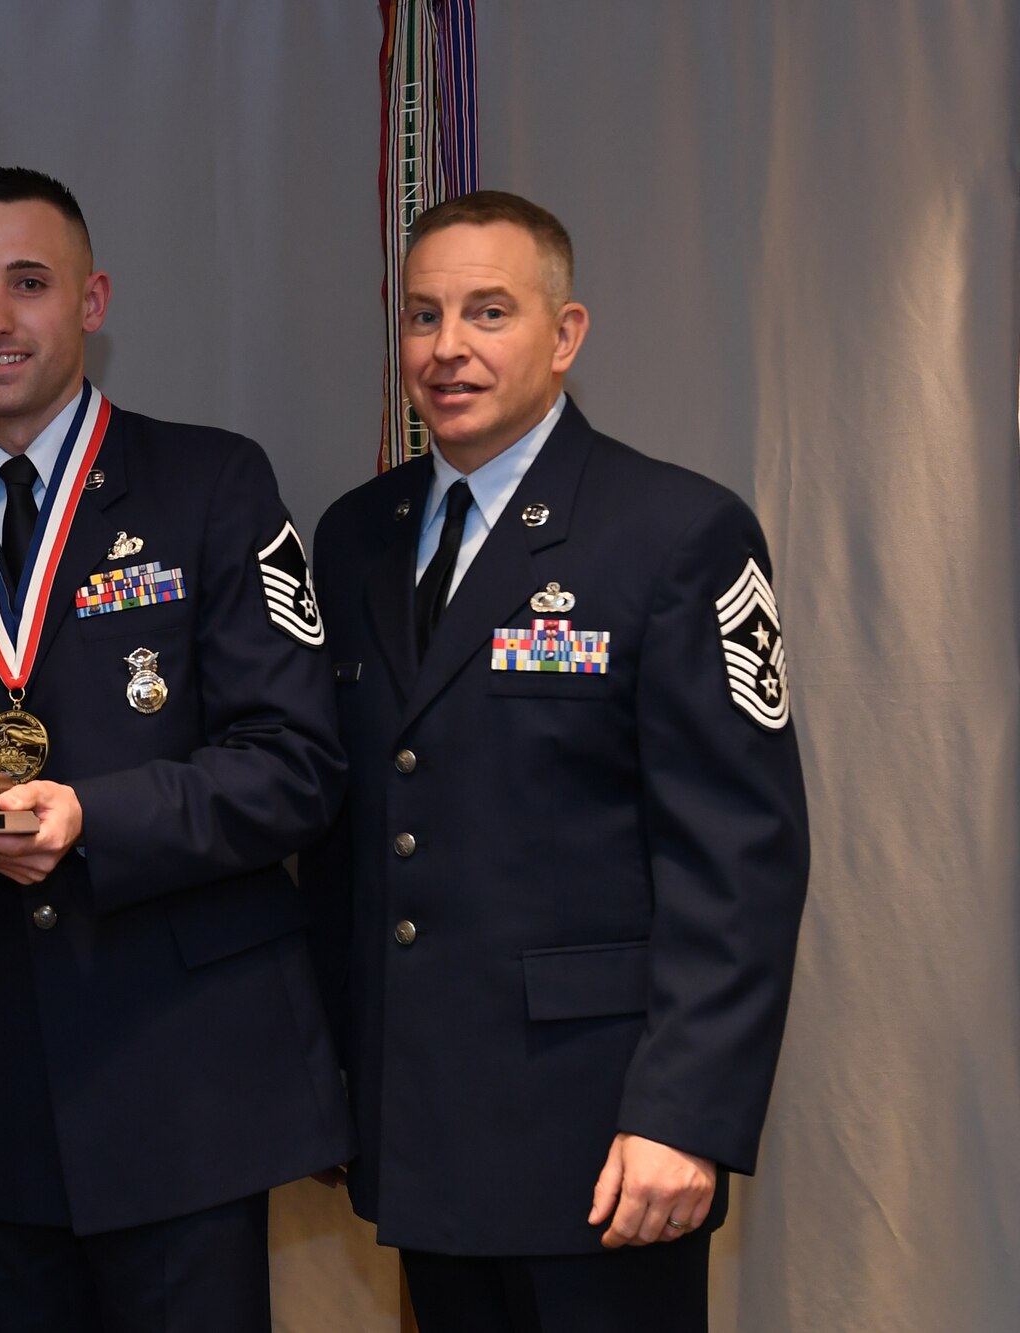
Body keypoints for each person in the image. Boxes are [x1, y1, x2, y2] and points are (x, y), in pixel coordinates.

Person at [0, 167, 352, 1333]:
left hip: (180, 1080)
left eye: (29, 283)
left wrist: (87, 819)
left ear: (90, 299)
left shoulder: (209, 484)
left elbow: (295, 764)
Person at [303, 190, 809, 1332]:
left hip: (601, 1134)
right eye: (423, 317)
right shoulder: (356, 536)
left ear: (564, 333)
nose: (448, 348)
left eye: (488, 312)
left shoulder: (673, 531)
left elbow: (741, 856)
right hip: (416, 1118)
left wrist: (685, 1112)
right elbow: (350, 831)